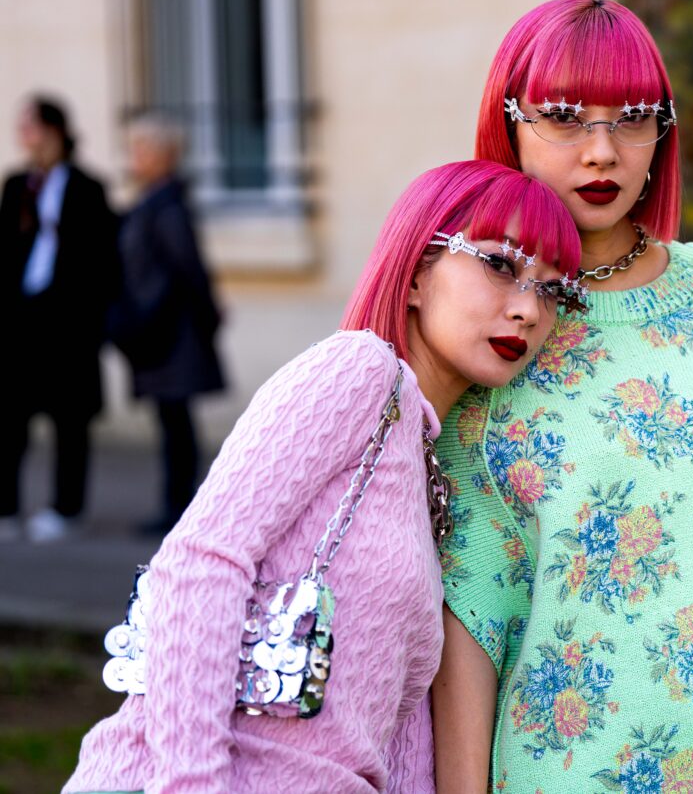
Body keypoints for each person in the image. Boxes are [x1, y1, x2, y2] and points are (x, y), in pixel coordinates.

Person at [431, 0, 693, 793]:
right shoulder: (494, 336)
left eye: (632, 118)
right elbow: (472, 632)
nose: (602, 150)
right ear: (508, 122)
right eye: (563, 116)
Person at [62, 159, 581, 794]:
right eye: (501, 264)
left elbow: (390, 730)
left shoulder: (422, 462)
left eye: (554, 289)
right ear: (416, 272)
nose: (529, 309)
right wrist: (191, 785)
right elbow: (201, 562)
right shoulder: (358, 371)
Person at [0, 96, 119, 543]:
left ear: (53, 130)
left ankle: (66, 508)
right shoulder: (17, 184)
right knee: (10, 419)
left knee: (70, 420)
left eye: (29, 126)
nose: (24, 135)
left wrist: (92, 320)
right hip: (20, 319)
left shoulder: (86, 187)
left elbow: (101, 259)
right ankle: (7, 507)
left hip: (67, 323)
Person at [109, 114, 226, 535]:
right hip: (160, 333)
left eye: (141, 149)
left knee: (176, 421)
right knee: (171, 419)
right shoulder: (153, 202)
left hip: (170, 334)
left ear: (164, 156)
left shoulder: (167, 207)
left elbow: (188, 271)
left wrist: (205, 318)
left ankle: (179, 506)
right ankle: (176, 504)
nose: (133, 158)